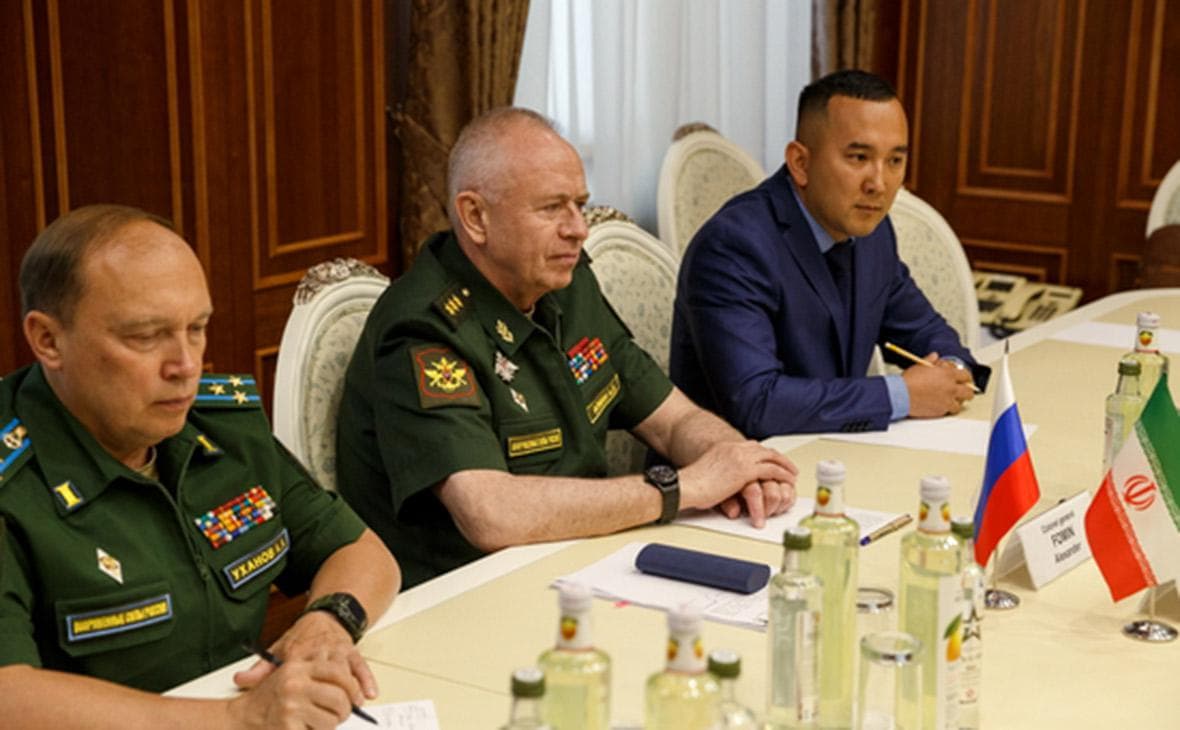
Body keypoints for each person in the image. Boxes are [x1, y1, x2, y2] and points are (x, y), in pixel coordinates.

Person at [336, 107, 799, 588]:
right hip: (469, 591)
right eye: (552, 208)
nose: (578, 228)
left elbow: (672, 420)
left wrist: (738, 465)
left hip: (583, 559)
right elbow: (491, 514)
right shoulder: (424, 328)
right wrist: (683, 487)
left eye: (579, 204)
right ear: (476, 217)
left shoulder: (566, 282)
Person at [0, 205, 401, 729]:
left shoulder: (221, 430)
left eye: (197, 328)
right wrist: (236, 717)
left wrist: (328, 620)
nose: (186, 365)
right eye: (146, 336)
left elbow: (361, 551)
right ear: (48, 340)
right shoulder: (14, 483)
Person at [670, 70, 991, 438]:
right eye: (859, 157)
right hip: (738, 464)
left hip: (832, 450)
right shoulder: (734, 246)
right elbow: (757, 403)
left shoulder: (872, 232)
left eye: (894, 161)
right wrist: (902, 395)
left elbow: (926, 331)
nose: (879, 184)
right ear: (800, 163)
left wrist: (952, 370)